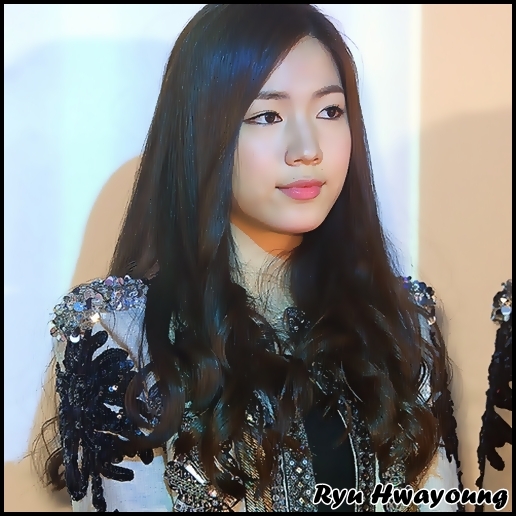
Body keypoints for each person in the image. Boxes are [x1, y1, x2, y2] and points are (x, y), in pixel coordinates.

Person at [33, 4, 463, 512]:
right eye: (267, 116)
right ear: (202, 132)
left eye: (330, 111)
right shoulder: (120, 335)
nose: (307, 149)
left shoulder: (401, 322)